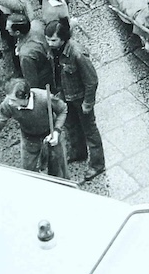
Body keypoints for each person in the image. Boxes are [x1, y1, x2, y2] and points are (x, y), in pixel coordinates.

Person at [43, 19, 105, 180]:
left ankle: (97, 164)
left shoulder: (77, 54)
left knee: (90, 130)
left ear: (63, 39)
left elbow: (91, 80)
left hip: (79, 97)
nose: (49, 43)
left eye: (53, 40)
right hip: (65, 94)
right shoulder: (54, 51)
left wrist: (88, 103)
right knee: (71, 125)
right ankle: (78, 152)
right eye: (48, 39)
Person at [0, 78, 70, 179]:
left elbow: (63, 110)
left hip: (52, 136)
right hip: (29, 139)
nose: (10, 103)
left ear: (26, 97)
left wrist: (57, 131)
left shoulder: (45, 98)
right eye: (9, 99)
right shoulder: (8, 104)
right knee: (28, 173)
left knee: (60, 172)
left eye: (13, 100)